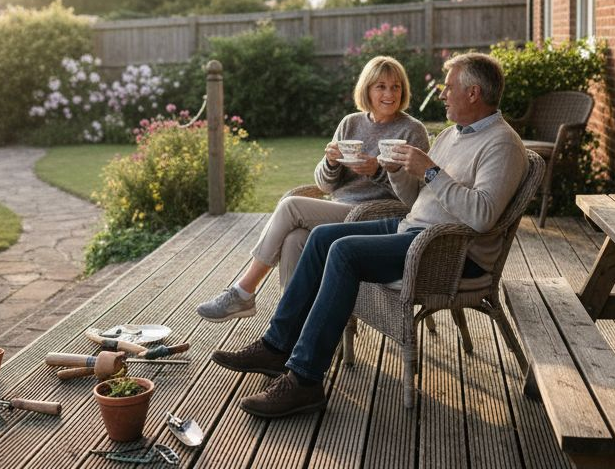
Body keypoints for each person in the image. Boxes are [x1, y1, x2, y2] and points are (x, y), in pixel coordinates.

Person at [210, 52, 527, 418]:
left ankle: (305, 380)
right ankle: (276, 345)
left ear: (473, 93)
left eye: (449, 87)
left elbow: (483, 216)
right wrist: (395, 171)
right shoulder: (453, 135)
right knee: (322, 237)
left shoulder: (502, 144)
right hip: (414, 229)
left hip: (450, 252)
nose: (442, 94)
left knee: (344, 252)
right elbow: (416, 200)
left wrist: (430, 172)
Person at [196, 55, 430, 322]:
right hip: (339, 207)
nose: (389, 94)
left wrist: (377, 172)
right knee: (295, 238)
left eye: (396, 87)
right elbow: (324, 184)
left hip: (377, 218)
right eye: (381, 86)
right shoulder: (350, 123)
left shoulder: (412, 131)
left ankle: (243, 292)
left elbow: (414, 196)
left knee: (291, 205)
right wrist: (331, 162)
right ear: (367, 89)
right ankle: (291, 323)